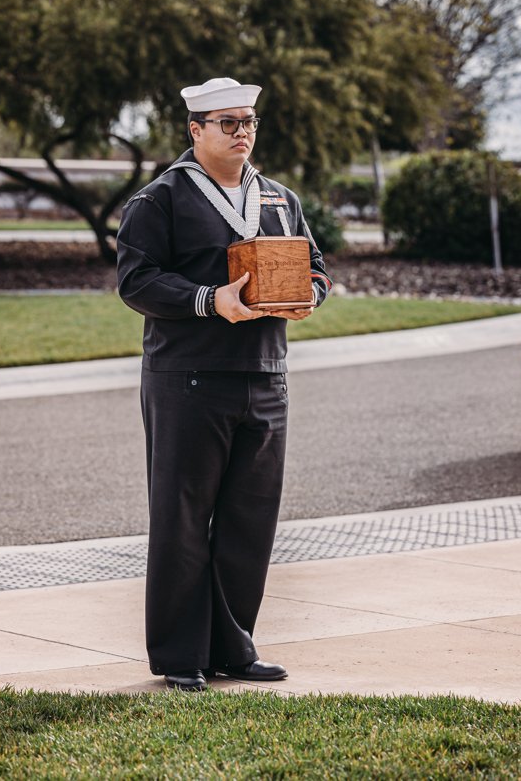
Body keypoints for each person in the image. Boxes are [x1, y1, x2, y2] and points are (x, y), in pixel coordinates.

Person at [117, 77, 332, 691]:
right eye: (229, 123)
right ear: (196, 130)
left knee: (250, 519)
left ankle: (234, 648)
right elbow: (137, 282)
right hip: (187, 380)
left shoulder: (278, 198)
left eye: (249, 122)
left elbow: (316, 268)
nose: (242, 133)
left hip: (266, 377)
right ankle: (182, 656)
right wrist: (210, 301)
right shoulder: (160, 200)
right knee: (183, 518)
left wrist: (308, 296)